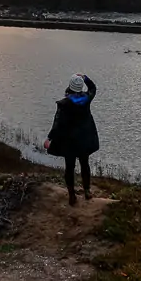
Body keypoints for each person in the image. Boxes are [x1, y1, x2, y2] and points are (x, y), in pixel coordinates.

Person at [44, 73, 99, 206]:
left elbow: (57, 124)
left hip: (69, 142)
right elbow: (93, 88)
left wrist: (49, 138)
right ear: (80, 87)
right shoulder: (86, 98)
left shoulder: (64, 104)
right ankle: (87, 192)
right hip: (84, 140)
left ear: (70, 87)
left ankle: (72, 196)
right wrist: (85, 77)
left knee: (70, 167)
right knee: (85, 164)